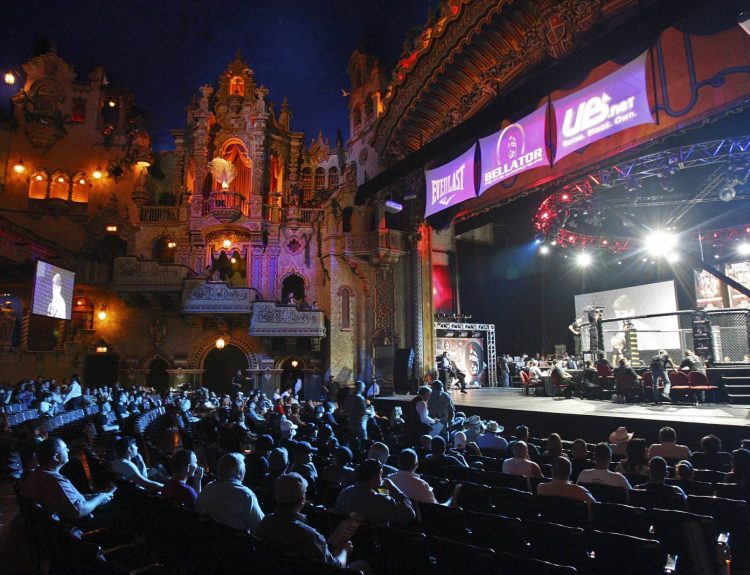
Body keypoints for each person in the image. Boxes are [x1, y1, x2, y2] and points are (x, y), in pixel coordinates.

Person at [255, 473, 352, 568]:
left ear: (276, 496)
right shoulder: (308, 535)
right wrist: (344, 551)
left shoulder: (265, 523)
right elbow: (333, 568)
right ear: (302, 500)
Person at [23, 437, 115, 521]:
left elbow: (65, 499)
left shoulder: (38, 473)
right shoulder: (54, 480)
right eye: (65, 449)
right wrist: (100, 498)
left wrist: (91, 497)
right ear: (56, 457)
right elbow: (78, 511)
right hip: (80, 525)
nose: (68, 450)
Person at [332, 459, 416, 525]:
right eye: (381, 475)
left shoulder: (345, 492)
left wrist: (383, 490)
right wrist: (393, 488)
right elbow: (409, 513)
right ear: (375, 478)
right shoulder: (379, 500)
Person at [197, 452, 265, 532]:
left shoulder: (207, 489)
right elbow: (260, 528)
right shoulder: (246, 495)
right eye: (244, 467)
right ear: (239, 473)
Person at [344, 381, 368, 451]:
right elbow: (363, 412)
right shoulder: (360, 398)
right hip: (360, 424)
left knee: (353, 442)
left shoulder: (349, 397)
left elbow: (346, 408)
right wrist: (369, 414)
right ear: (361, 388)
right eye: (363, 388)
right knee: (363, 442)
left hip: (351, 423)